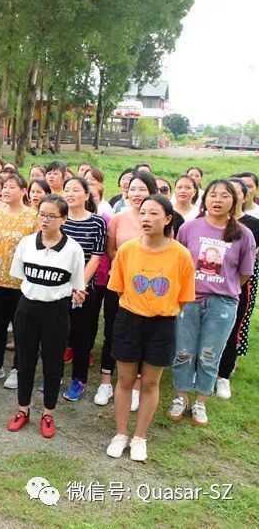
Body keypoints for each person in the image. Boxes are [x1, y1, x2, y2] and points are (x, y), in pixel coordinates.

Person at [106, 195, 195, 460]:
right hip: (129, 320)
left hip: (162, 324)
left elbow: (182, 298)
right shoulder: (127, 250)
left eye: (154, 213)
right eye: (143, 213)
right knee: (125, 380)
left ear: (168, 219)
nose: (146, 218)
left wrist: (159, 310)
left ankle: (140, 437)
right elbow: (119, 288)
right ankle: (121, 433)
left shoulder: (181, 255)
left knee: (150, 383)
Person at [169, 180, 256, 426]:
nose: (218, 200)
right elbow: (178, 263)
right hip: (188, 300)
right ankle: (180, 397)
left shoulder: (243, 234)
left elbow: (244, 273)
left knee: (209, 354)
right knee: (184, 351)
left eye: (224, 196)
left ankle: (200, 402)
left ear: (234, 201)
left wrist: (222, 287)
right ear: (205, 199)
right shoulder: (189, 228)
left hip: (222, 304)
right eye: (213, 195)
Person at [5, 195, 85, 438]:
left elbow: (76, 284)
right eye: (42, 214)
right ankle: (23, 409)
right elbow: (20, 276)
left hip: (56, 311)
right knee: (25, 361)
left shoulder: (73, 249)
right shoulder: (26, 243)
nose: (45, 220)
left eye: (52, 216)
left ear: (63, 219)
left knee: (53, 364)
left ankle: (48, 413)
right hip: (27, 308)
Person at [99, 172, 158, 410]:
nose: (136, 194)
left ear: (151, 192)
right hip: (118, 284)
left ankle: (136, 386)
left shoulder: (160, 220)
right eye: (133, 189)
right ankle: (105, 380)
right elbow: (111, 250)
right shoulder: (118, 218)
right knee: (112, 330)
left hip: (147, 288)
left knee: (141, 335)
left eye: (142, 189)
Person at [0, 174, 37, 389]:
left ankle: (17, 368)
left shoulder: (32, 217)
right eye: (4, 186)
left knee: (21, 327)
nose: (5, 190)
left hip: (20, 282)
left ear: (23, 191)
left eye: (11, 187)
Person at [61, 177, 107, 401]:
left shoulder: (97, 223)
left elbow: (96, 258)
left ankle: (79, 380)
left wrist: (78, 285)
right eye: (67, 190)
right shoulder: (59, 219)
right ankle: (54, 375)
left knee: (82, 335)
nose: (70, 194)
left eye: (75, 190)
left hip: (85, 289)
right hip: (58, 286)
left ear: (86, 195)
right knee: (58, 334)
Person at [216, 178, 259, 398]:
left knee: (233, 329)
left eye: (231, 193)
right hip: (206, 285)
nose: (225, 198)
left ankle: (223, 375)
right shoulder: (208, 222)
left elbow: (248, 265)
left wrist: (232, 286)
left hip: (238, 286)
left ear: (243, 196)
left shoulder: (252, 226)